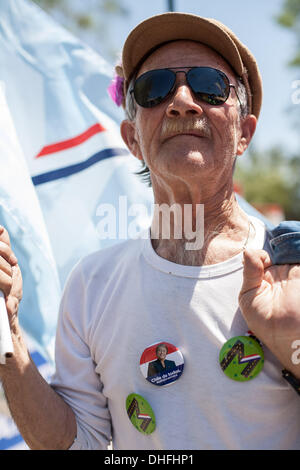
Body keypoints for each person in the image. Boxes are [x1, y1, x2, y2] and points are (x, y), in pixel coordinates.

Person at [0, 12, 300, 450]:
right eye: (154, 88)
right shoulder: (91, 285)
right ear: (132, 138)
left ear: (244, 132)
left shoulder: (290, 273)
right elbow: (80, 444)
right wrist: (8, 337)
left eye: (209, 85)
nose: (181, 101)